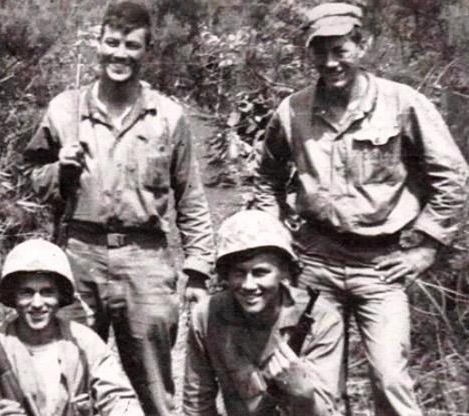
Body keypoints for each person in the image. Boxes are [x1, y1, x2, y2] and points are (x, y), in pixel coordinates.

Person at [251, 3, 469, 415]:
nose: (331, 63)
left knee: (391, 380)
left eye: (341, 49)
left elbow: (452, 175)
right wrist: (276, 240)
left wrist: (426, 247)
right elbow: (267, 178)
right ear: (309, 53)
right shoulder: (293, 110)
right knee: (317, 389)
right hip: (316, 262)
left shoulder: (402, 104)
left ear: (362, 45)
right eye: (320, 52)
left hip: (382, 265)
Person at [24, 2, 214, 414]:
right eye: (112, 43)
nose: (120, 54)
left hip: (144, 261)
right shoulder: (65, 109)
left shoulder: (167, 116)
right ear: (98, 43)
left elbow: (191, 197)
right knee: (68, 377)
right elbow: (33, 179)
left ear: (147, 50)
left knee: (154, 388)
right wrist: (61, 170)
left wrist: (198, 267)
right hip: (80, 255)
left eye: (131, 45)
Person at [0, 239, 143, 416]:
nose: (37, 303)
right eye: (27, 293)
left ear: (60, 297)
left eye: (47, 292)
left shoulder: (85, 343)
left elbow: (120, 400)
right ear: (13, 297)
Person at [183, 210, 344, 415]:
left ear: (284, 272)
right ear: (226, 274)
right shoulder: (207, 316)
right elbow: (197, 402)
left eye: (261, 272)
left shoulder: (321, 319)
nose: (249, 285)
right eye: (239, 273)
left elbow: (327, 410)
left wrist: (302, 394)